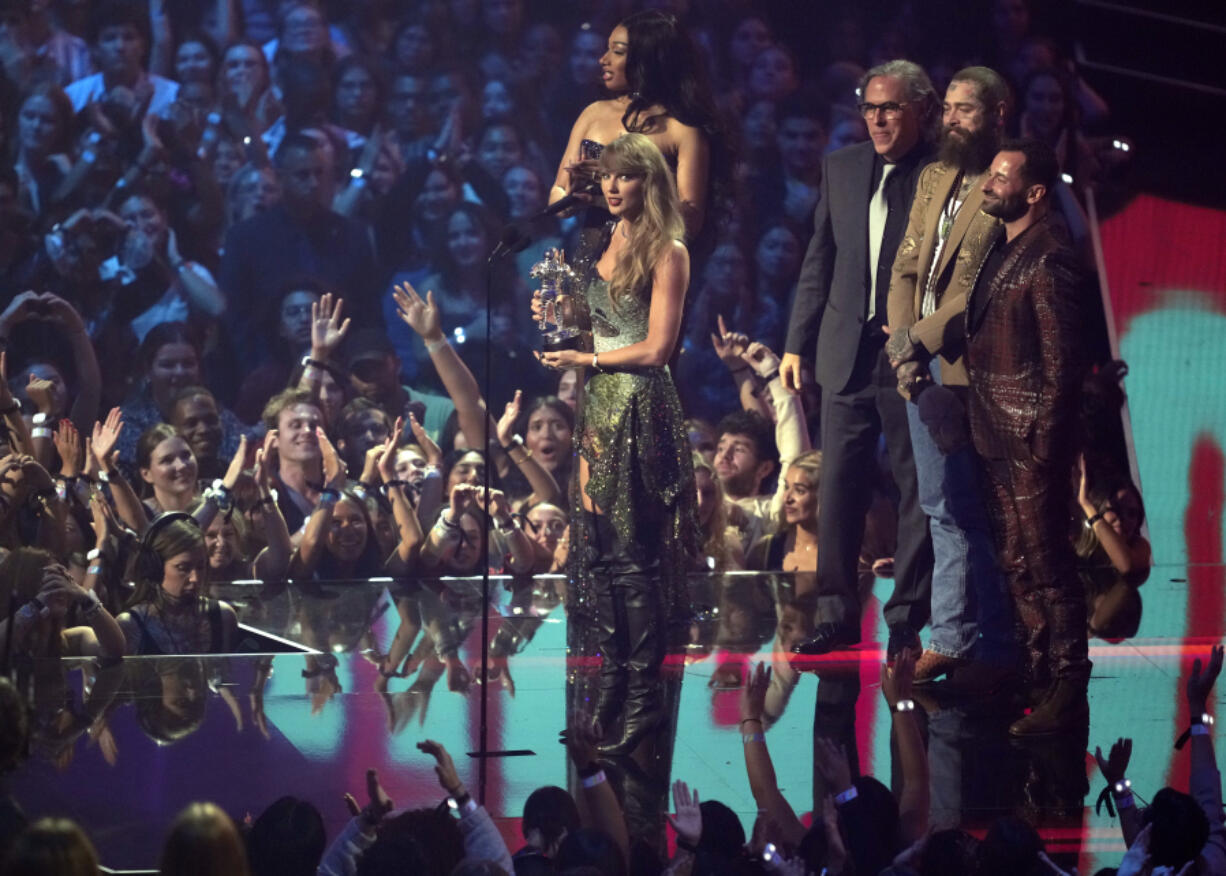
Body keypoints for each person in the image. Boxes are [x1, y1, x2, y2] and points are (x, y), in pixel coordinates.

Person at [534, 132, 698, 755]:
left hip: (638, 405)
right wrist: (564, 316)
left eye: (624, 176)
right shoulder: (599, 241)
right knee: (600, 552)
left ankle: (642, 697)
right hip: (599, 407)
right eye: (605, 176)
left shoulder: (668, 250)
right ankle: (610, 684)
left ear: (647, 182)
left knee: (634, 559)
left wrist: (586, 354)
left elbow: (656, 348)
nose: (610, 186)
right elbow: (601, 319)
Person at [780, 59, 939, 658]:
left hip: (909, 354)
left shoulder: (941, 172)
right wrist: (797, 341)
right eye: (869, 108)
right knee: (838, 488)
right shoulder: (842, 168)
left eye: (890, 107)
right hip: (844, 350)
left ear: (921, 109)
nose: (877, 119)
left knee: (914, 485)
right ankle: (836, 613)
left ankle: (905, 615)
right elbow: (819, 257)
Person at [884, 66, 1013, 686]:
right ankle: (954, 637)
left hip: (974, 363)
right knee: (939, 505)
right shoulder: (934, 175)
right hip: (919, 361)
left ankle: (995, 640)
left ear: (997, 114)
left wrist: (920, 341)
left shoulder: (1007, 182)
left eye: (967, 109)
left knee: (975, 505)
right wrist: (907, 354)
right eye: (951, 108)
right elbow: (906, 266)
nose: (954, 119)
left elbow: (980, 287)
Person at [965, 138, 1086, 735]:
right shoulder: (1000, 245)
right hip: (994, 434)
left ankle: (1068, 681)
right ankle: (1036, 676)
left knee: (1049, 565)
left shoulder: (1051, 256)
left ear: (1033, 191)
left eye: (999, 176)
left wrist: (1045, 443)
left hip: (1031, 440)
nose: (987, 183)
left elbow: (1064, 363)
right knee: (1015, 564)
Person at [549, 10, 722, 239]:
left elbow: (690, 222)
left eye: (617, 51)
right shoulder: (593, 114)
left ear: (648, 60)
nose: (604, 59)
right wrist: (571, 200)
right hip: (590, 260)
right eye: (607, 49)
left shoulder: (683, 130)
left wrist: (614, 192)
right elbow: (558, 192)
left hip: (646, 264)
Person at [116, 514, 238, 654]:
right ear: (156, 567)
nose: (195, 579)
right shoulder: (130, 625)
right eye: (183, 568)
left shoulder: (223, 617)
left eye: (200, 567)